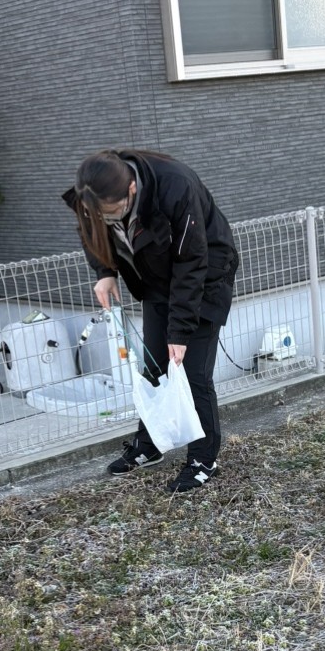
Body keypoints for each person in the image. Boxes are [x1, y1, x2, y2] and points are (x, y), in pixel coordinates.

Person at [63, 148, 238, 493]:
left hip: (205, 278)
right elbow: (90, 232)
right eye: (99, 215)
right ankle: (150, 444)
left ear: (131, 189)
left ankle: (203, 459)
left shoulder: (175, 186)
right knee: (155, 368)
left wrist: (180, 331)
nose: (107, 220)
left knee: (192, 374)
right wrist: (105, 271)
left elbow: (192, 261)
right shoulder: (91, 196)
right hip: (157, 281)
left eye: (112, 213)